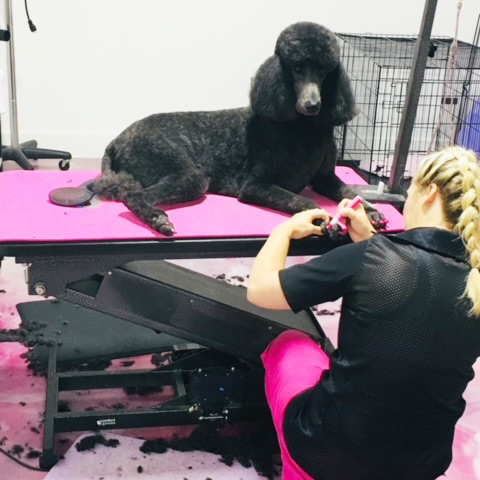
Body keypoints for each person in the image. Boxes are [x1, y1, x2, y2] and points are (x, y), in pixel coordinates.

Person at [247, 145, 480, 480]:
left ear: (429, 193)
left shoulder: (371, 256)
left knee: (290, 341)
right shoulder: (474, 282)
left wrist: (284, 231)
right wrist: (368, 239)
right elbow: (424, 300)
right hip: (419, 466)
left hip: (330, 456)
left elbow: (260, 291)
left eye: (410, 188)